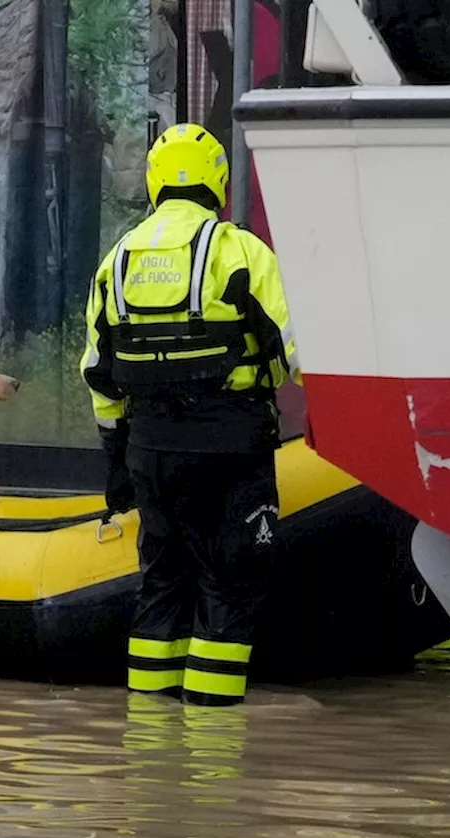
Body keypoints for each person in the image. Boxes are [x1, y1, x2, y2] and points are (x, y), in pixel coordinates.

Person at [80, 122, 300, 706]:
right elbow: (291, 351)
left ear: (154, 184)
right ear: (218, 184)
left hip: (149, 451)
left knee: (160, 583)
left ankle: (150, 742)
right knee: (230, 584)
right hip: (232, 447)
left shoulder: (116, 262)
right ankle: (212, 753)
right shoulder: (240, 251)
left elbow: (99, 375)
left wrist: (115, 461)